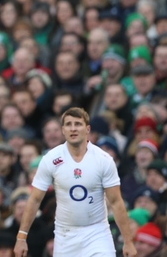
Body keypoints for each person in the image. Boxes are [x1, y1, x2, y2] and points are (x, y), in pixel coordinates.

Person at [14, 107, 136, 257]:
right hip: (65, 235)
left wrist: (128, 241)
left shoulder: (103, 160)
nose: (73, 128)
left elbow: (116, 202)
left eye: (78, 124)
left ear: (87, 129)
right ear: (63, 130)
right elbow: (34, 199)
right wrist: (21, 237)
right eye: (69, 124)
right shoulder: (51, 159)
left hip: (97, 232)